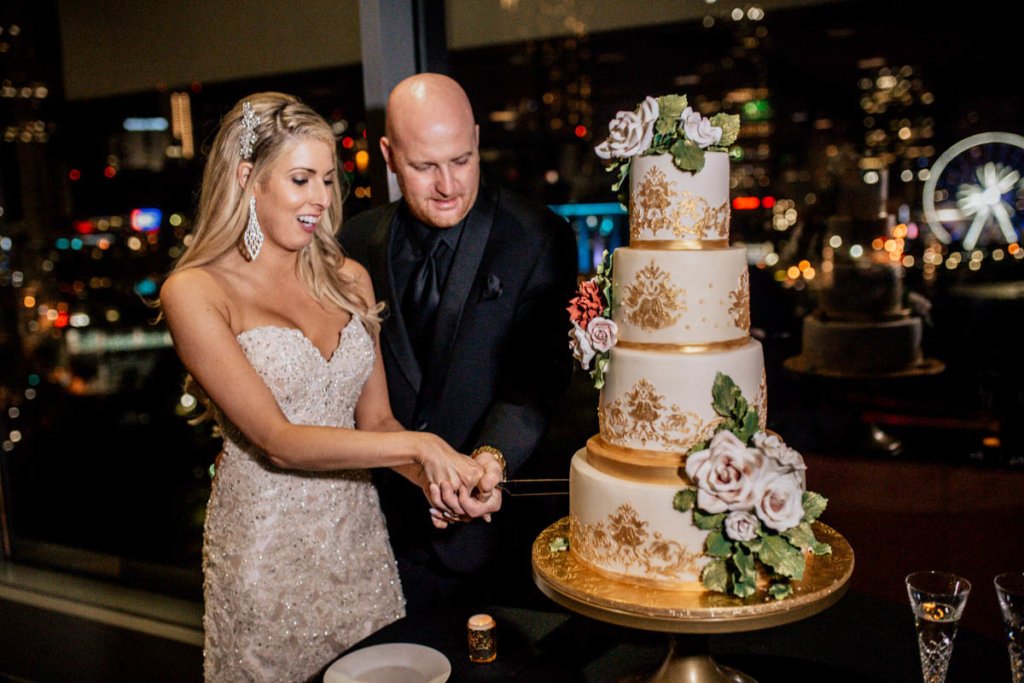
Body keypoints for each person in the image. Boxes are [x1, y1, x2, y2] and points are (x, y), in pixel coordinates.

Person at [159, 92, 501, 682]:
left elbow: (379, 427)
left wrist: (444, 481)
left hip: (359, 544)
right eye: (299, 179)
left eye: (326, 178)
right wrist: (423, 448)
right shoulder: (195, 292)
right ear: (248, 178)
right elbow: (277, 440)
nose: (320, 198)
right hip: (266, 554)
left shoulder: (348, 279)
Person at [340, 73, 578, 612]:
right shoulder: (351, 244)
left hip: (499, 544)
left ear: (476, 138)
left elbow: (535, 382)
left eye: (462, 159)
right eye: (425, 167)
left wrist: (489, 462)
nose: (448, 184)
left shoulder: (538, 236)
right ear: (389, 156)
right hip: (379, 538)